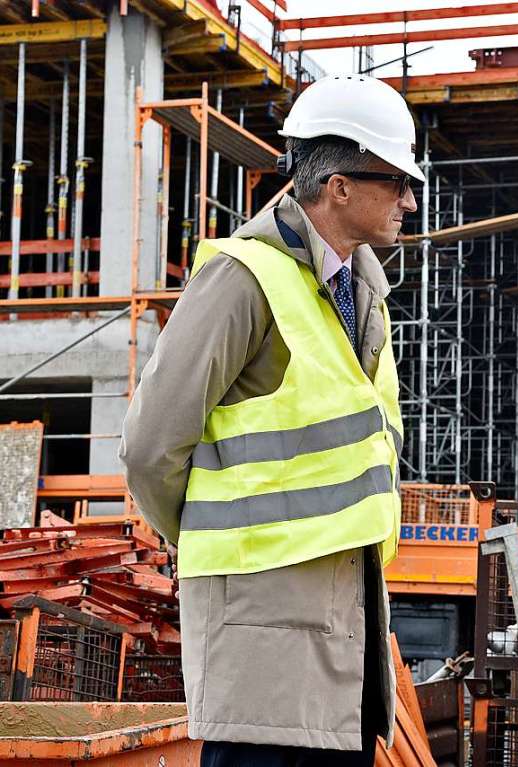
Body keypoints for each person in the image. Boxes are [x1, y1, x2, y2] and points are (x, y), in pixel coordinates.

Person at [120, 74, 421, 767]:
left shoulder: (364, 296)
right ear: (339, 186)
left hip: (341, 643)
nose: (408, 199)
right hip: (263, 647)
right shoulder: (244, 277)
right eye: (396, 180)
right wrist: (207, 536)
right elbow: (149, 447)